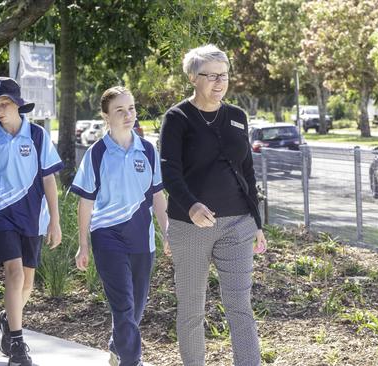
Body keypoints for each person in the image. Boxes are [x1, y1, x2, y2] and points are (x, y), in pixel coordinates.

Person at [159, 44, 267, 366]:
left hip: (238, 224)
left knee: (240, 305)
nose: (219, 82)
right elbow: (169, 171)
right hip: (191, 226)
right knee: (192, 308)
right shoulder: (177, 118)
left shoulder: (237, 116)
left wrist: (257, 223)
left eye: (224, 75)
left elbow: (247, 170)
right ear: (193, 77)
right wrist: (191, 206)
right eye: (211, 76)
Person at [71, 86, 169, 366]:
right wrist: (84, 244)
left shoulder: (148, 150)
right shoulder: (96, 153)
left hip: (142, 239)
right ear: (105, 116)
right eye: (120, 110)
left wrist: (166, 232)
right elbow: (86, 203)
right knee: (123, 305)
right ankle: (131, 360)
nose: (128, 115)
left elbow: (158, 196)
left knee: (136, 307)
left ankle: (118, 346)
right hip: (108, 238)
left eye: (131, 109)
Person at [0, 77, 63, 366]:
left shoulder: (37, 136)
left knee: (27, 283)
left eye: (5, 104)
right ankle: (18, 343)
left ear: (18, 105)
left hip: (34, 217)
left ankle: (8, 319)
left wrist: (55, 221)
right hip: (1, 215)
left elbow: (49, 180)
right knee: (14, 275)